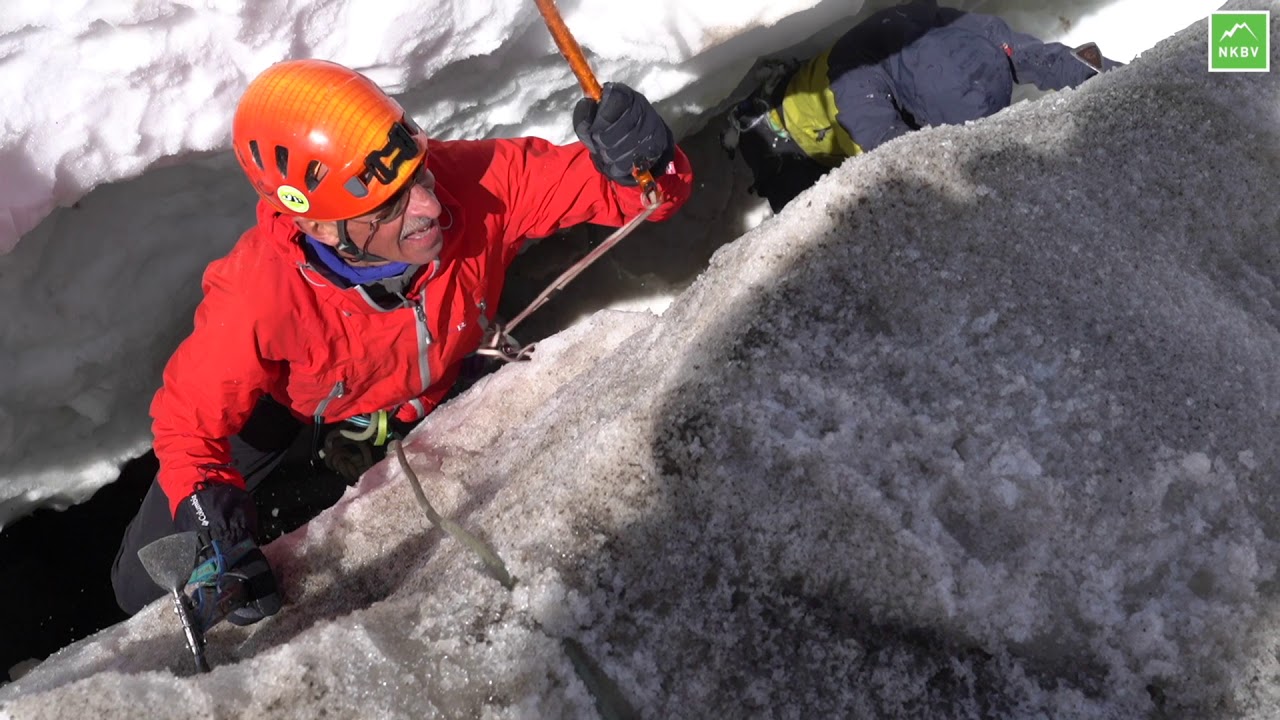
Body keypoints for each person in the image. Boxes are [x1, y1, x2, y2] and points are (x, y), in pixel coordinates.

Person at [110, 59, 693, 623]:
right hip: (287, 407)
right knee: (140, 586)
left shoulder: (475, 184)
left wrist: (647, 159)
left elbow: (646, 197)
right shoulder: (258, 294)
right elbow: (188, 424)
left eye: (420, 175)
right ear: (316, 224)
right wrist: (221, 533)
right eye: (389, 203)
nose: (431, 206)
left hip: (434, 381)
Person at [722, 0, 1120, 212]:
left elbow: (1030, 54)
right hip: (790, 140)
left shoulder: (949, 29)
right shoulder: (858, 84)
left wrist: (1106, 75)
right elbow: (898, 160)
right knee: (803, 216)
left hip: (842, 116)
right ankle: (754, 122)